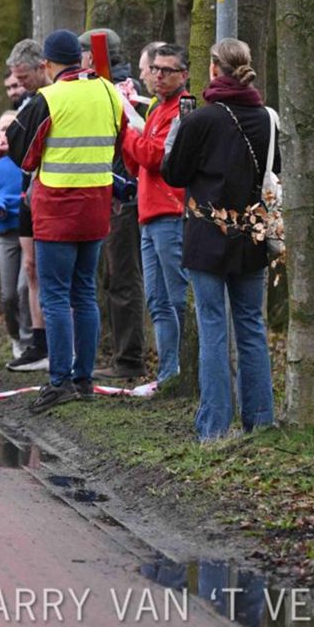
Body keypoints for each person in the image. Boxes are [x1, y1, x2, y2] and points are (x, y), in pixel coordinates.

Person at [11, 30, 137, 413]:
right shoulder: (107, 92)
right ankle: (84, 378)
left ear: (48, 64)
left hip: (57, 208)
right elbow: (118, 141)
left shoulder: (49, 98)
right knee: (85, 293)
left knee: (54, 295)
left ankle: (59, 380)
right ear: (79, 60)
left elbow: (24, 154)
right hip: (97, 205)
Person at [160, 37, 277, 441]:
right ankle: (260, 418)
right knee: (251, 325)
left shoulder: (200, 120)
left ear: (213, 69)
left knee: (212, 326)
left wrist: (177, 130)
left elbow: (173, 173)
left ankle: (213, 426)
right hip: (252, 234)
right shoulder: (267, 117)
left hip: (206, 235)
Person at [121, 42, 194, 385]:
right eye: (155, 69)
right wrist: (131, 136)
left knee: (177, 297)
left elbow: (155, 158)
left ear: (184, 74)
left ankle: (184, 369)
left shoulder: (181, 110)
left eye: (167, 70)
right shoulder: (155, 109)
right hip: (149, 214)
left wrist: (127, 132)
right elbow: (137, 164)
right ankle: (168, 374)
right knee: (157, 300)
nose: (159, 76)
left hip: (170, 213)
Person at [86, 27, 149, 379]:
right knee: (115, 276)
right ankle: (120, 354)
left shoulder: (120, 93)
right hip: (115, 193)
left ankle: (129, 360)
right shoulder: (110, 88)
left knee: (122, 276)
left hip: (123, 196)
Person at [0, 39, 51, 370]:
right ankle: (37, 342)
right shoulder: (28, 102)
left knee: (52, 274)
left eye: (24, 78)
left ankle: (58, 343)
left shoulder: (51, 98)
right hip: (26, 194)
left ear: (41, 67)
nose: (20, 85)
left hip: (52, 193)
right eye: (15, 79)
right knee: (30, 267)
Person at [0, 111, 33, 361]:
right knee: (8, 294)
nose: (6, 132)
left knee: (25, 288)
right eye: (2, 128)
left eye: (11, 127)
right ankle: (15, 337)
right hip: (6, 232)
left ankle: (30, 339)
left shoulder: (29, 160)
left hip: (31, 231)